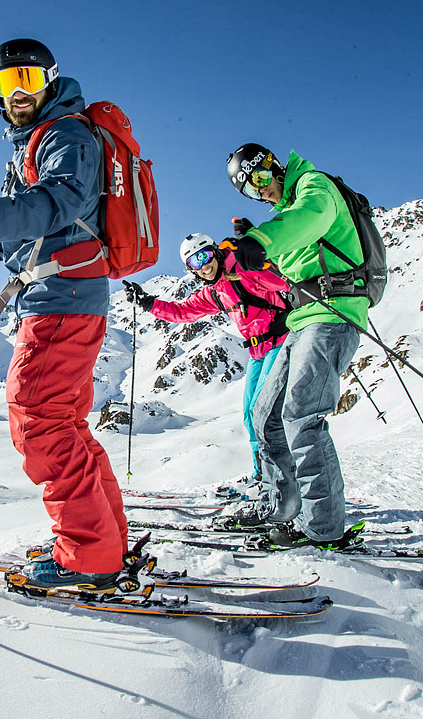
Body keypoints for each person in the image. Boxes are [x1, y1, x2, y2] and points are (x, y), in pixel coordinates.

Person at [0, 38, 129, 591]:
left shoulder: (66, 134)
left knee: (36, 417)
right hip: (63, 297)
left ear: (50, 81)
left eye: (29, 80)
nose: (18, 93)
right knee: (65, 422)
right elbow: (20, 227)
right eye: (7, 83)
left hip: (63, 300)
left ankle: (89, 555)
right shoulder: (35, 143)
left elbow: (53, 205)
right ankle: (105, 539)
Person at [221, 143, 368, 548]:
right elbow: (288, 267)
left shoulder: (313, 186)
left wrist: (262, 239)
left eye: (260, 177)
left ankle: (323, 529)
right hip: (303, 319)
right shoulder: (286, 210)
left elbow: (311, 216)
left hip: (333, 314)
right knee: (265, 416)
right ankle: (282, 508)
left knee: (301, 416)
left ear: (273, 165)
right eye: (250, 189)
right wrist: (257, 249)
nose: (261, 189)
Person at [123, 232, 290, 488]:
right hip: (258, 354)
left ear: (215, 252)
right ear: (190, 269)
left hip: (280, 342)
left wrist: (258, 257)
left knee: (263, 413)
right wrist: (147, 303)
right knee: (250, 415)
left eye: (205, 256)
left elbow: (282, 280)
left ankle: (278, 481)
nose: (204, 265)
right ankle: (263, 475)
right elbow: (183, 312)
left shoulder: (242, 270)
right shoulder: (215, 292)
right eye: (195, 262)